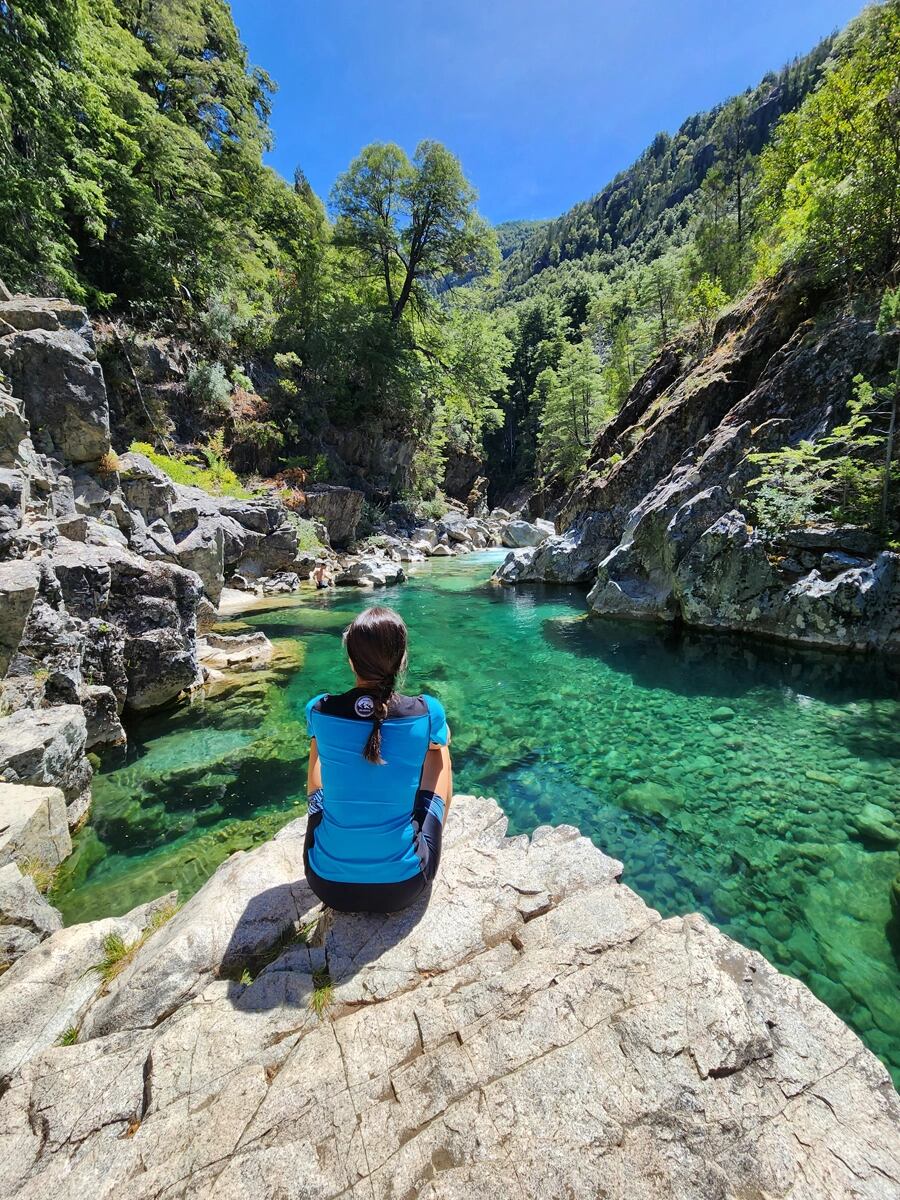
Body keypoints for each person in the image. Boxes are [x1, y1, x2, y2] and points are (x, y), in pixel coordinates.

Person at [303, 605, 452, 913]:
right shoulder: (427, 711)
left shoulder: (318, 708)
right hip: (403, 886)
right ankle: (429, 835)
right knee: (440, 750)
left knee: (317, 745)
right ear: (402, 659)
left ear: (350, 659)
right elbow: (439, 743)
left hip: (326, 885)